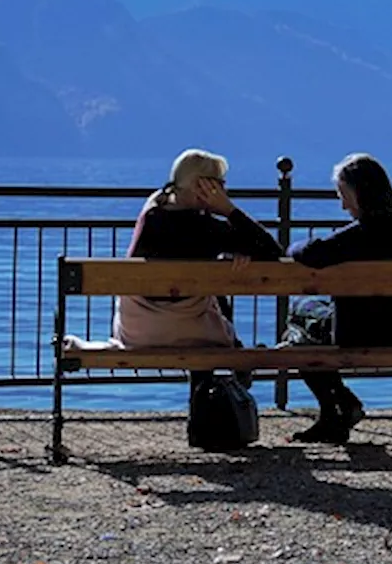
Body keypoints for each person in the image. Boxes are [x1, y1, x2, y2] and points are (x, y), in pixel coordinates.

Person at [112, 148, 282, 394]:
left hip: (135, 331)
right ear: (203, 185)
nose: (224, 190)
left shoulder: (152, 210)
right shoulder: (206, 228)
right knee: (210, 294)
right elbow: (272, 251)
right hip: (191, 332)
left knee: (206, 289)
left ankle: (211, 389)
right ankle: (235, 359)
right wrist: (228, 210)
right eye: (220, 184)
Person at [286, 153, 392, 443]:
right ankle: (339, 409)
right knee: (306, 329)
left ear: (361, 192)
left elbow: (309, 253)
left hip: (351, 333)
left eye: (344, 195)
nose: (343, 204)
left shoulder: (359, 235)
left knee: (297, 333)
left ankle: (340, 408)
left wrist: (293, 245)